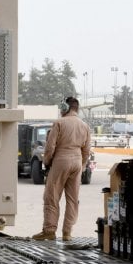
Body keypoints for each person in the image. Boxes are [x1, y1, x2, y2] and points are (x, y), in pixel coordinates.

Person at [32, 97, 91, 241]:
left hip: (61, 160)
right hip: (77, 161)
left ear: (66, 108)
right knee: (72, 199)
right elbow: (86, 151)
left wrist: (47, 162)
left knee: (51, 196)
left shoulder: (59, 123)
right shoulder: (85, 126)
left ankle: (49, 231)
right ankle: (67, 233)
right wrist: (82, 167)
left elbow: (50, 147)